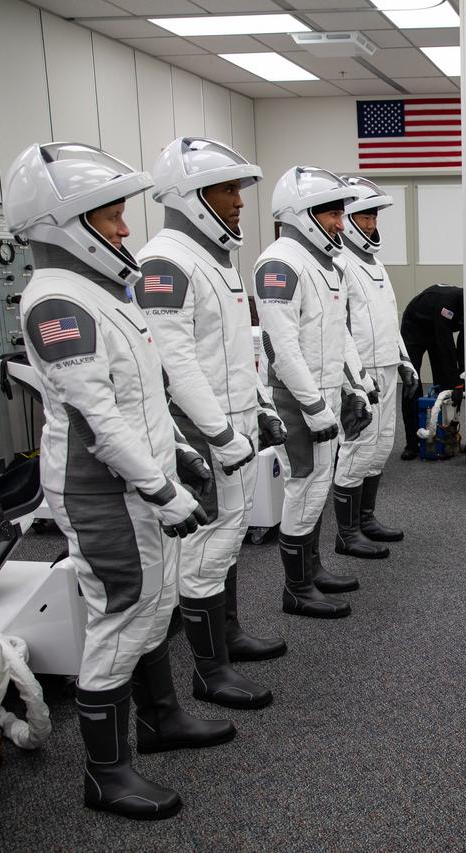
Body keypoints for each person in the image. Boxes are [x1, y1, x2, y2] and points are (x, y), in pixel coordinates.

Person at [7, 141, 228, 819]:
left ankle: (160, 718)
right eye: (109, 217)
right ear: (63, 223)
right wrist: (161, 489)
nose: (125, 229)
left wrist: (179, 455)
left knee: (154, 603)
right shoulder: (56, 303)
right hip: (101, 491)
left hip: (139, 479)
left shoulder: (104, 293)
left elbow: (142, 399)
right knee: (122, 611)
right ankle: (106, 773)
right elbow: (98, 420)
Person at [136, 137, 287, 712]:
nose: (238, 202)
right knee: (203, 552)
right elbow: (175, 363)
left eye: (238, 190)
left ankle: (228, 634)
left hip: (233, 419)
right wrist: (219, 434)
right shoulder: (165, 262)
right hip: (203, 428)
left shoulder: (215, 259)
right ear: (191, 196)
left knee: (225, 541)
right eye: (226, 190)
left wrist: (259, 409)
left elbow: (230, 353)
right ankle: (210, 671)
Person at [255, 166, 374, 620]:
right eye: (331, 214)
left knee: (318, 486)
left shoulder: (327, 264)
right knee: (303, 487)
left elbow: (339, 335)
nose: (340, 224)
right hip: (297, 399)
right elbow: (282, 349)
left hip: (325, 396)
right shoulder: (279, 263)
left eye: (341, 213)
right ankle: (296, 588)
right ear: (301, 214)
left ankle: (314, 567)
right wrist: (313, 406)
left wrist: (355, 385)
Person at [332, 177, 421, 559]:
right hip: (359, 374)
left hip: (386, 367)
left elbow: (389, 318)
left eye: (373, 218)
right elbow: (337, 329)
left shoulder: (377, 266)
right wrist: (355, 380)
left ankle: (366, 519)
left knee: (382, 445)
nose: (371, 225)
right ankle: (347, 532)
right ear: (347, 219)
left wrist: (404, 360)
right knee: (357, 447)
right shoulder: (338, 265)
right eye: (363, 217)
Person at [399, 283, 465, 460]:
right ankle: (412, 444)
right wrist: (456, 382)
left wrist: (461, 377)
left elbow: (463, 345)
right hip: (414, 327)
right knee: (412, 383)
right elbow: (446, 345)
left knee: (444, 386)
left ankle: (446, 439)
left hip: (437, 328)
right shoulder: (449, 303)